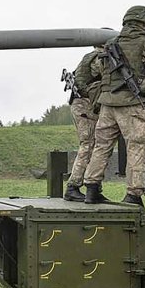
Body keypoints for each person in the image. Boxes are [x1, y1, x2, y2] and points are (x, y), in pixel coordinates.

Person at [83, 6, 145, 206]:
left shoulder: (109, 44)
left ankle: (91, 189)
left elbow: (100, 72)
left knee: (101, 146)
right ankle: (133, 195)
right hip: (133, 104)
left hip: (107, 104)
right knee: (137, 147)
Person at [63, 45, 104, 201]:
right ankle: (73, 186)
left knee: (92, 145)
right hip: (85, 104)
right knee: (88, 145)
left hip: (82, 103)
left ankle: (90, 187)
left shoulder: (90, 57)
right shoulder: (99, 58)